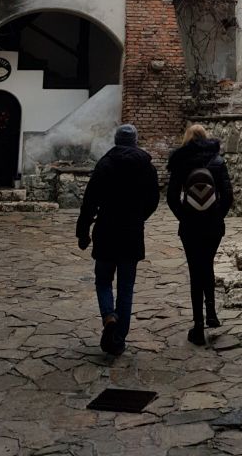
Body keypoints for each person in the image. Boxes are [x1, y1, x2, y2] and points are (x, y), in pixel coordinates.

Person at [76, 123, 159, 356]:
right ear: (135, 141)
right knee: (126, 288)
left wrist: (82, 232)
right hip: (131, 233)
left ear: (116, 140)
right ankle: (119, 338)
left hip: (106, 231)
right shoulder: (147, 167)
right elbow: (153, 199)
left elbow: (89, 202)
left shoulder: (104, 165)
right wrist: (139, 216)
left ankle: (109, 316)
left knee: (103, 281)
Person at [167, 123, 233, 345]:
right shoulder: (217, 161)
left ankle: (197, 326)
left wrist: (185, 216)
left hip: (191, 227)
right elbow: (228, 196)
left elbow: (171, 198)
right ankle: (212, 314)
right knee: (208, 265)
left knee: (196, 271)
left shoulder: (181, 162)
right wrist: (217, 215)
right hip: (213, 226)